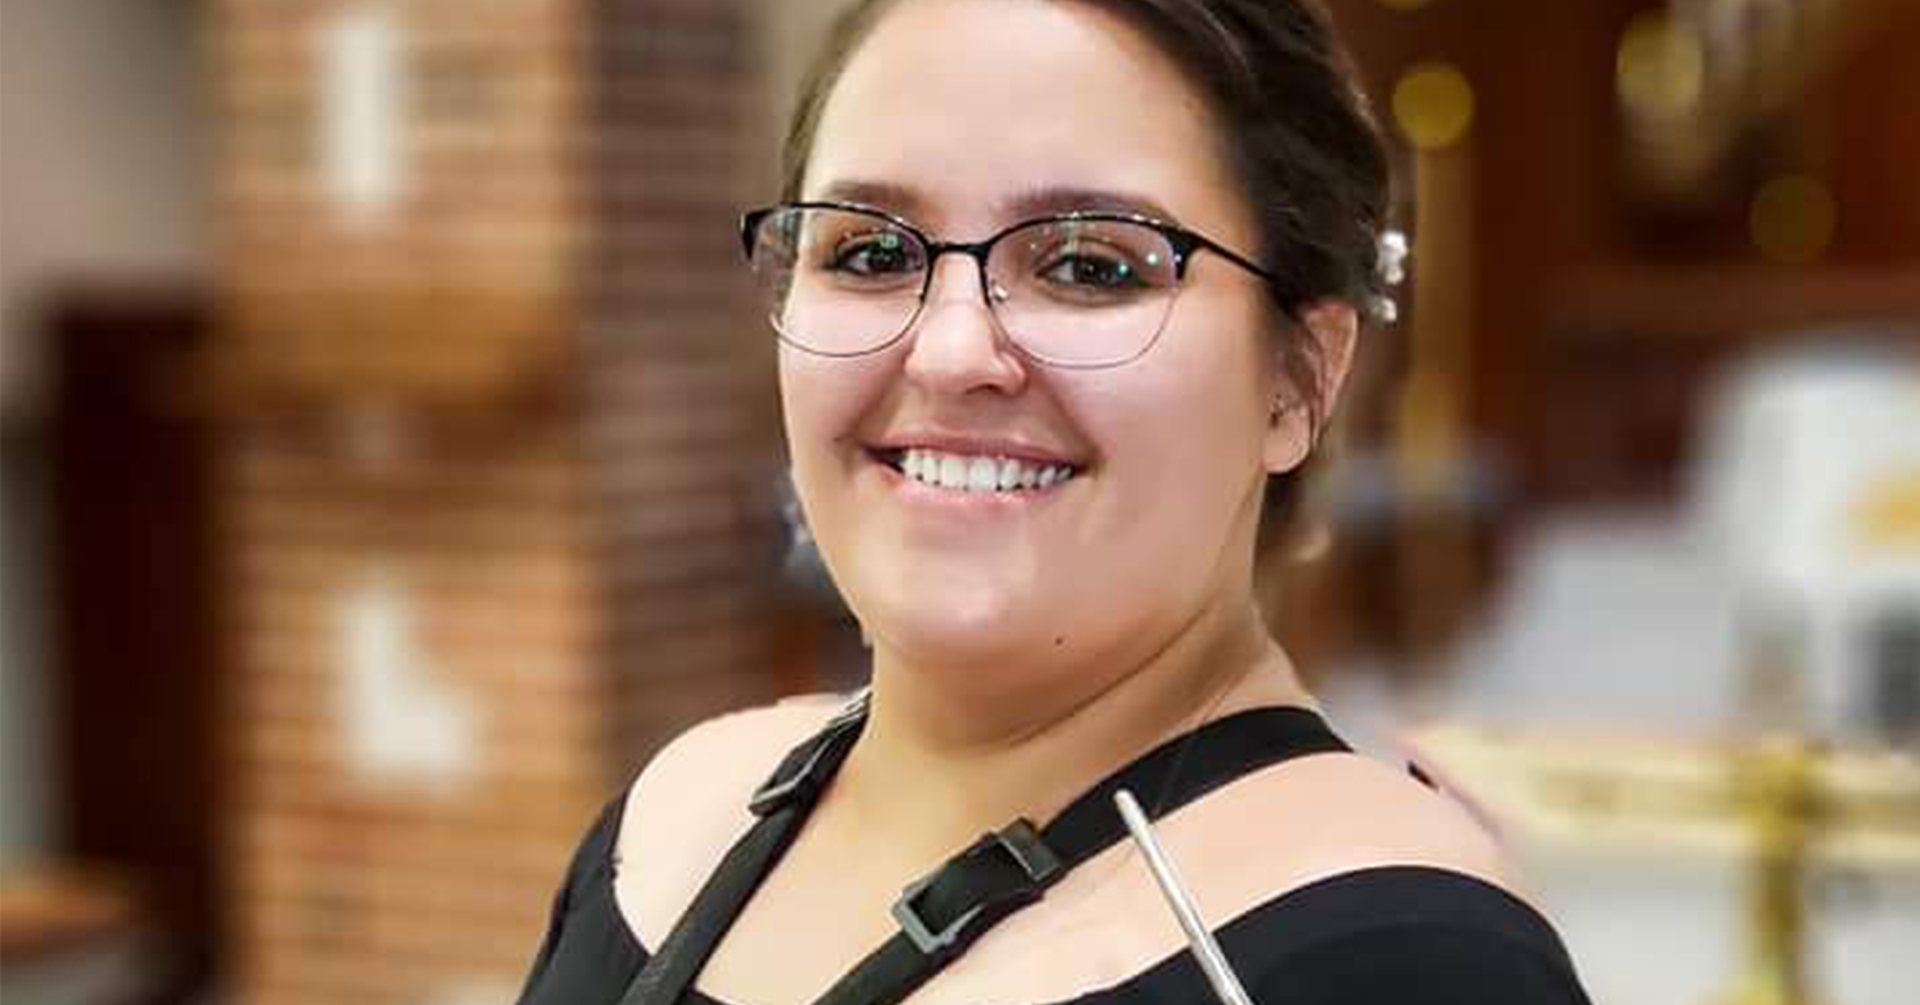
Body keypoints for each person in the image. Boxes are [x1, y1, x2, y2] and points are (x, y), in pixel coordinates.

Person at [516, 0, 1592, 1002]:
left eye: (1088, 266)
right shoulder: (674, 823)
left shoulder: (1400, 957)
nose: (948, 352)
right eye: (873, 251)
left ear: (1300, 378)